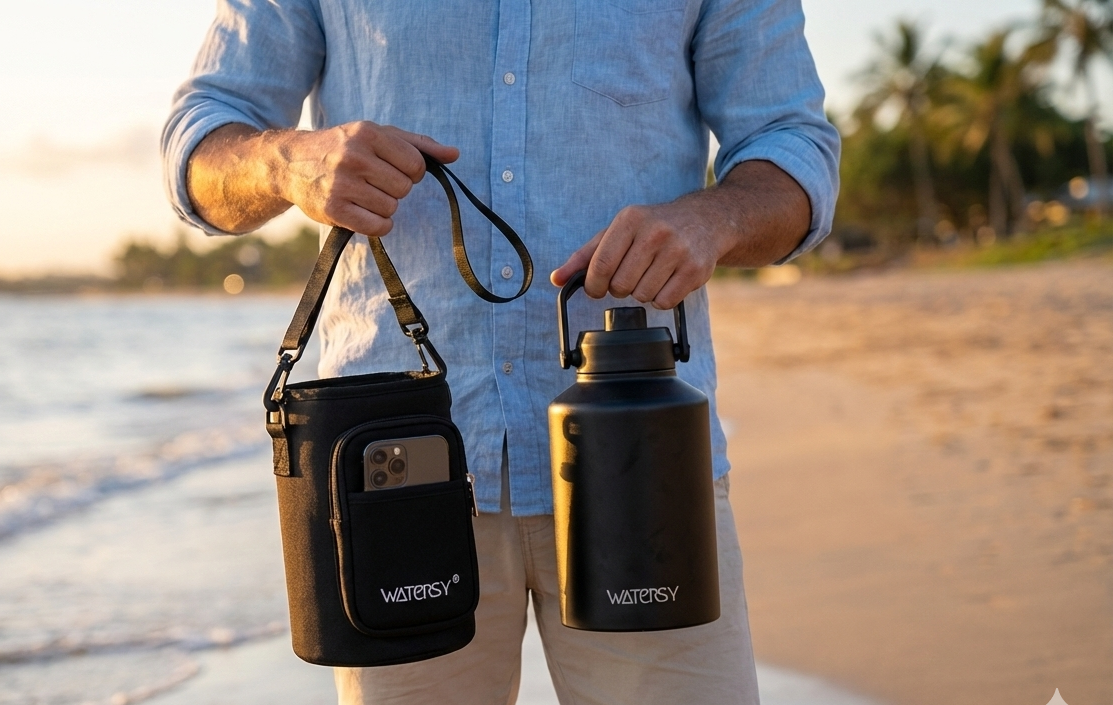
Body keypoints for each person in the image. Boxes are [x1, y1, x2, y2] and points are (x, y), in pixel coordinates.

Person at [163, 1, 839, 702]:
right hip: (394, 473)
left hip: (646, 462)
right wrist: (289, 162)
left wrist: (713, 219)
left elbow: (794, 144)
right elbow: (197, 141)